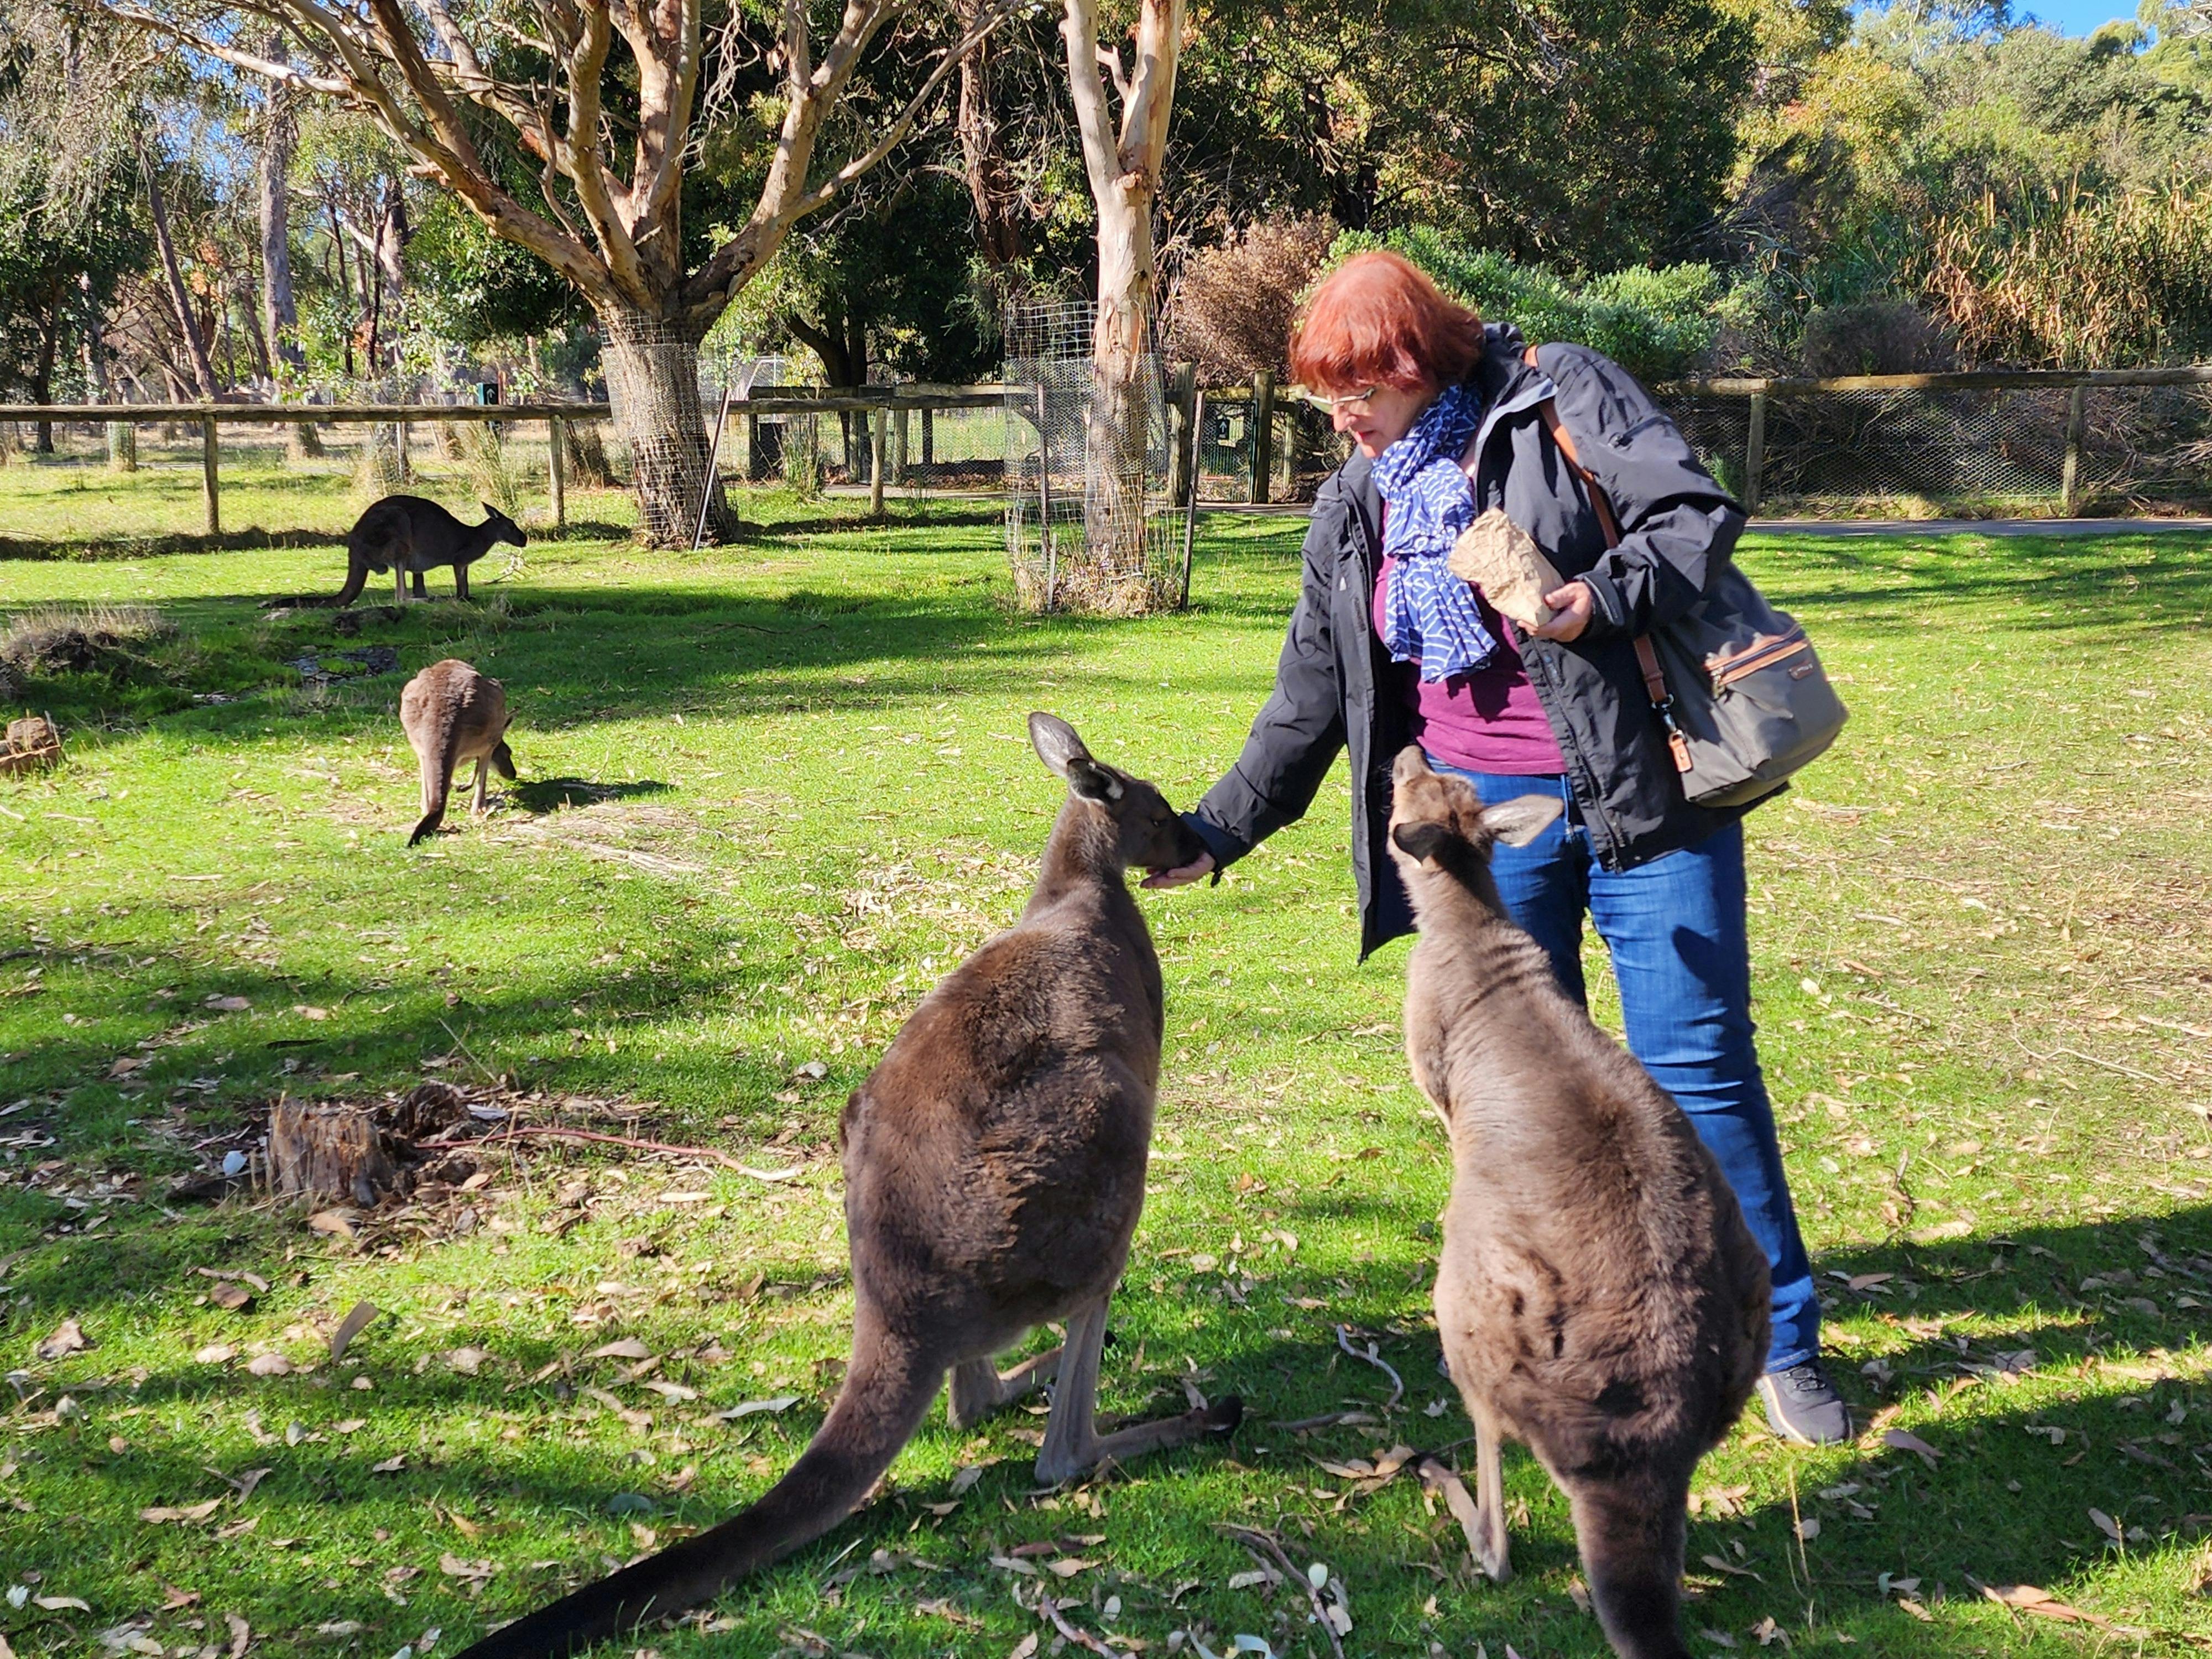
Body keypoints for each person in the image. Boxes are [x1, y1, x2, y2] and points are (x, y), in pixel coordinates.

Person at [1146, 251, 1847, 1445]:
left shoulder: (1555, 393)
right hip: (1484, 829)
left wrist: (1591, 598)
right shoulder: (1357, 503)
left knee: (1694, 1069)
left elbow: (1690, 516)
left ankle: (1774, 1338)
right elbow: (1312, 692)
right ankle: (1579, 1326)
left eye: (1360, 387)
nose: (1341, 414)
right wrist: (1219, 827)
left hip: (1641, 796)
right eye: (1325, 392)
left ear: (1419, 362)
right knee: (1528, 1101)